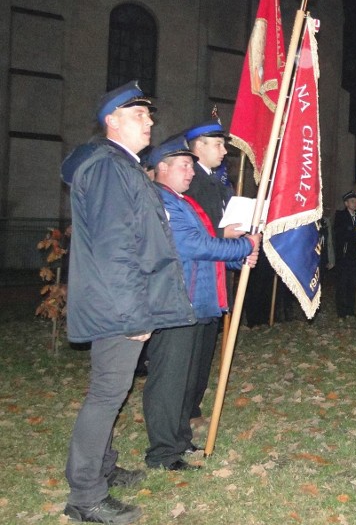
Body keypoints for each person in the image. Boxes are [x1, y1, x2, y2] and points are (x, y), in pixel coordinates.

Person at [59, 81, 195, 525]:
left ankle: (102, 467)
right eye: (139, 115)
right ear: (111, 122)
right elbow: (117, 246)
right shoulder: (108, 168)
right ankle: (85, 495)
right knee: (106, 393)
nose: (150, 121)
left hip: (119, 301)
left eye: (150, 115)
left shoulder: (122, 166)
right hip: (117, 305)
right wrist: (135, 312)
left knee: (112, 391)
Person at [146, 136, 259, 471]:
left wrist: (240, 259)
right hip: (176, 303)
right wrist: (242, 247)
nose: (191, 172)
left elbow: (209, 247)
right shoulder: (161, 201)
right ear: (162, 167)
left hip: (198, 302)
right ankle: (163, 453)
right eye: (184, 166)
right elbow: (193, 246)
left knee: (186, 379)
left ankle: (179, 441)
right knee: (169, 380)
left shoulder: (184, 202)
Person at [182, 120, 243, 426]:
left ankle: (193, 406)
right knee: (191, 350)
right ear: (199, 147)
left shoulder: (220, 184)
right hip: (197, 280)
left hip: (217, 277)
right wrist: (227, 234)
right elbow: (198, 232)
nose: (223, 150)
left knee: (206, 346)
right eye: (217, 144)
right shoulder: (192, 184)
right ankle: (184, 409)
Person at [333, 191, 356, 317]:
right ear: (346, 203)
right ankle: (341, 311)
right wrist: (354, 232)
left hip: (355, 257)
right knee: (342, 284)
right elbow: (340, 234)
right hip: (344, 257)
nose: (355, 204)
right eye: (352, 201)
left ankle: (350, 309)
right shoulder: (340, 216)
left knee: (352, 284)